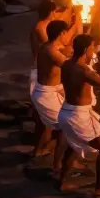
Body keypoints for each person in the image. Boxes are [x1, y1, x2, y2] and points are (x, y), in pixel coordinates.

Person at [56, 34, 100, 196]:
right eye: (91, 46)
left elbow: (84, 74)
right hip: (78, 116)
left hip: (66, 112)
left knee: (73, 145)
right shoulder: (82, 69)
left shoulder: (66, 64)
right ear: (85, 49)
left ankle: (62, 181)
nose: (93, 49)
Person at [33, 19, 73, 171]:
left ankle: (40, 151)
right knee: (66, 127)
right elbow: (70, 67)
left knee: (48, 127)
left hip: (49, 91)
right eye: (66, 33)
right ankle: (58, 165)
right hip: (46, 94)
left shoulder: (50, 46)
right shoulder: (51, 51)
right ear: (62, 33)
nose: (68, 37)